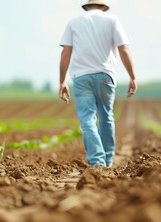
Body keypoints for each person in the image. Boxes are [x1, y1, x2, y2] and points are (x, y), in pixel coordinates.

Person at [59, 0, 137, 168]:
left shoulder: (73, 22)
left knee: (87, 120)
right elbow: (124, 49)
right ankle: (107, 160)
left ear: (87, 7)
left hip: (81, 77)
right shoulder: (112, 20)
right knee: (106, 117)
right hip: (105, 76)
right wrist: (132, 76)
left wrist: (62, 81)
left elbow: (66, 52)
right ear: (103, 7)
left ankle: (97, 161)